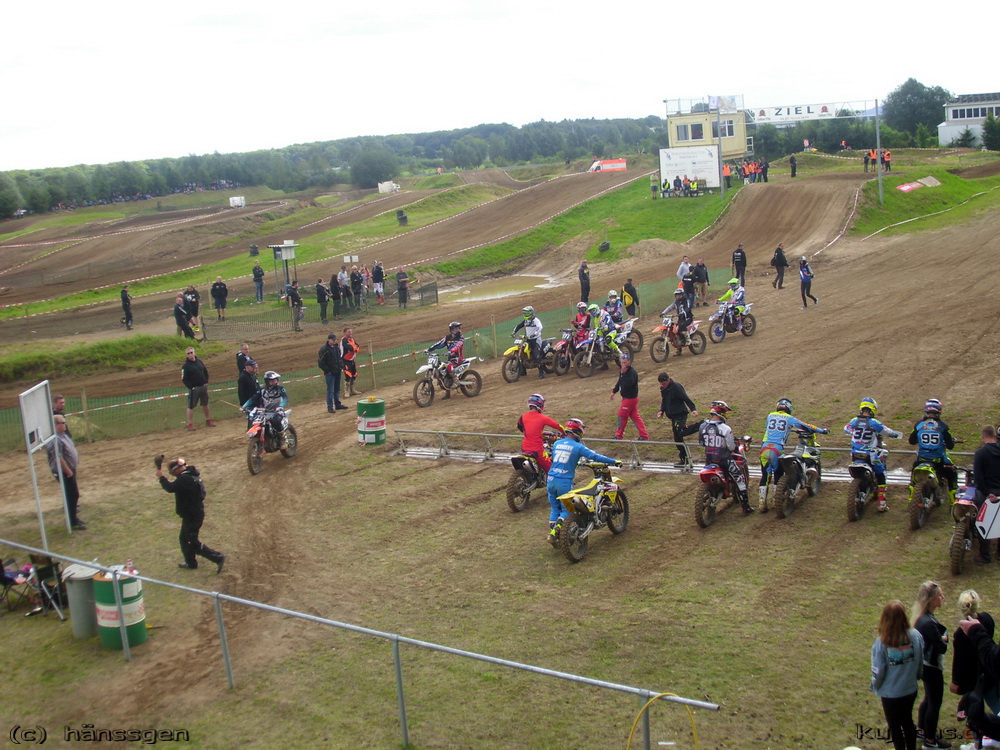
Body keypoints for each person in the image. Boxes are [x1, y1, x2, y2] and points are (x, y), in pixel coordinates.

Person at [545, 418, 618, 544]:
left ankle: (554, 532)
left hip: (551, 479)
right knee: (567, 510)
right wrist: (614, 461)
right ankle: (555, 532)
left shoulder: (557, 444)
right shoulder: (578, 447)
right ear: (577, 432)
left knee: (555, 508)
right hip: (564, 481)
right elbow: (595, 456)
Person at [757, 399, 829, 513]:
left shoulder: (770, 415)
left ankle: (762, 504)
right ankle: (776, 501)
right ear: (789, 408)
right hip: (777, 448)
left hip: (764, 447)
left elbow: (768, 427)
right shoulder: (789, 418)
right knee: (778, 475)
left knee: (765, 476)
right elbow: (806, 426)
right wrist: (821, 430)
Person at [156, 457, 225, 573]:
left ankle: (217, 557)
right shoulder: (190, 475)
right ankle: (191, 563)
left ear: (177, 469)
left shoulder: (185, 479)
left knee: (191, 542)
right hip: (192, 513)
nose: (172, 475)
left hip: (192, 515)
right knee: (184, 539)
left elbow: (170, 488)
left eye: (172, 472)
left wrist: (161, 477)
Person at [871, 600, 924, 750]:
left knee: (894, 726)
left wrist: (875, 685)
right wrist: (917, 676)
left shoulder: (882, 642)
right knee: (907, 721)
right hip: (909, 689)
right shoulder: (915, 636)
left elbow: (878, 670)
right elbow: (920, 659)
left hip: (890, 694)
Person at [843, 397, 902, 512]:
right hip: (870, 454)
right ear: (873, 409)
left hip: (855, 454)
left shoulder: (854, 420)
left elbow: (846, 429)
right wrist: (896, 435)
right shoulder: (874, 422)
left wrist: (854, 433)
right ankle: (882, 503)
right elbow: (887, 431)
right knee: (881, 475)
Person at [696, 401, 752, 513]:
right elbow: (731, 447)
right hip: (724, 460)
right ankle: (746, 508)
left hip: (709, 459)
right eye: (726, 413)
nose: (727, 415)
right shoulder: (725, 428)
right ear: (721, 413)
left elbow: (701, 443)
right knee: (740, 479)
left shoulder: (702, 426)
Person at [913, 581, 950, 750]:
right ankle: (930, 740)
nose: (943, 598)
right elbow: (941, 648)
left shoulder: (922, 618)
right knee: (934, 703)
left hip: (924, 665)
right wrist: (945, 639)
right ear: (931, 600)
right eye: (940, 595)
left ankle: (921, 730)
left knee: (928, 699)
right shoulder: (929, 622)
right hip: (932, 667)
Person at [951, 590, 995, 726]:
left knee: (973, 707)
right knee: (992, 699)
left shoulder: (960, 634)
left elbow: (959, 661)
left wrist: (956, 681)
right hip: (987, 669)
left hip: (971, 677)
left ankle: (975, 734)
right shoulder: (987, 619)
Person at [908, 399, 958, 501]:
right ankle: (953, 501)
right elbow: (950, 446)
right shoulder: (943, 426)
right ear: (939, 411)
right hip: (938, 461)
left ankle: (911, 496)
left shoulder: (919, 425)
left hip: (921, 459)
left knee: (913, 478)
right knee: (952, 474)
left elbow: (911, 441)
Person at [46, 414, 86, 530]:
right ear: (55, 425)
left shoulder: (63, 435)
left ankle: (73, 518)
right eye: (62, 423)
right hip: (64, 472)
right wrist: (68, 471)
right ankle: (72, 521)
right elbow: (58, 457)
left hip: (70, 470)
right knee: (72, 495)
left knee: (73, 494)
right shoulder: (55, 440)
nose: (65, 425)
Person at [972, 424, 1000, 563]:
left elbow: (978, 477)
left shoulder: (981, 453)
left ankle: (985, 555)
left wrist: (987, 493)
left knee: (983, 522)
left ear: (983, 436)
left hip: (986, 493)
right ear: (995, 436)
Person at [517, 393, 563, 478]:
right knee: (550, 469)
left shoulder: (523, 417)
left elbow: (520, 426)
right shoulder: (543, 418)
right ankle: (552, 483)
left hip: (525, 448)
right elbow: (558, 426)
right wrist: (566, 433)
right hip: (537, 450)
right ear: (541, 404)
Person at [657, 373, 698, 467]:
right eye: (661, 384)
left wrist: (693, 409)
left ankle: (699, 425)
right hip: (673, 416)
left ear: (668, 380)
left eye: (664, 383)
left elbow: (685, 398)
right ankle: (684, 459)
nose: (663, 385)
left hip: (680, 414)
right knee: (677, 438)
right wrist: (661, 410)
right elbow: (664, 400)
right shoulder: (663, 389)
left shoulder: (676, 387)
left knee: (681, 432)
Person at [242, 371, 290, 448]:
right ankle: (255, 437)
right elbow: (253, 398)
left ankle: (283, 439)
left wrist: (281, 406)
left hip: (277, 410)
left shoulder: (280, 389)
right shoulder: (262, 389)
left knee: (276, 420)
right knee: (253, 418)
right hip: (264, 410)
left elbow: (285, 398)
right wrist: (245, 406)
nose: (275, 382)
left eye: (275, 380)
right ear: (267, 381)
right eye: (272, 380)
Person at [611, 352, 649, 440]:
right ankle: (644, 435)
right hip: (628, 398)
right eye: (622, 363)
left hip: (630, 398)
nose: (623, 364)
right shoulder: (623, 371)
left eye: (625, 362)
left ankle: (619, 435)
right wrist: (614, 391)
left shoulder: (632, 372)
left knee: (621, 416)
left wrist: (623, 374)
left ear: (629, 362)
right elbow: (620, 381)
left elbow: (628, 384)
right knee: (635, 417)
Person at [181, 346, 216, 431]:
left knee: (205, 403)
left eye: (191, 352)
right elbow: (184, 379)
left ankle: (208, 420)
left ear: (194, 353)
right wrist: (191, 387)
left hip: (203, 386)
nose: (190, 355)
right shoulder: (185, 366)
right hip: (194, 389)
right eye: (188, 353)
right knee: (191, 406)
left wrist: (206, 381)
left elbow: (205, 371)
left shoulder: (199, 362)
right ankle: (189, 424)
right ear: (187, 355)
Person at [427, 321, 465, 387]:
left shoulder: (461, 337)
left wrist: (452, 350)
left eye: (458, 328)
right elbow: (439, 344)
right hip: (450, 359)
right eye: (456, 328)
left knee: (449, 366)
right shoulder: (448, 337)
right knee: (440, 368)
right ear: (452, 329)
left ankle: (456, 381)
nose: (458, 330)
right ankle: (445, 384)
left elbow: (458, 345)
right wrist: (429, 349)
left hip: (458, 359)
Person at [513, 306, 545, 379]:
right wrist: (514, 332)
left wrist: (535, 333)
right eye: (525, 313)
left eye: (527, 313)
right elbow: (519, 326)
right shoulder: (526, 321)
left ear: (531, 313)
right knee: (522, 353)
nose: (526, 314)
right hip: (528, 339)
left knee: (536, 354)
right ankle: (523, 371)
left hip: (536, 339)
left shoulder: (536, 320)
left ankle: (541, 372)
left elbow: (540, 327)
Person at [318, 333, 347, 413]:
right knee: (330, 390)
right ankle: (330, 407)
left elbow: (339, 358)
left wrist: (341, 366)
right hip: (330, 374)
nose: (334, 341)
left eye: (335, 339)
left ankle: (337, 404)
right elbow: (321, 363)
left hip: (337, 371)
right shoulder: (324, 349)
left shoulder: (336, 347)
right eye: (332, 340)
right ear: (329, 340)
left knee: (337, 389)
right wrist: (328, 371)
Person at [237, 358, 260, 425]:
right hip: (249, 403)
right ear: (247, 367)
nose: (255, 368)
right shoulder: (243, 377)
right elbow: (241, 392)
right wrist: (243, 404)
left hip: (256, 401)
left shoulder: (253, 375)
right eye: (253, 367)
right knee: (252, 420)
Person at [341, 327, 361, 397]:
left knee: (354, 374)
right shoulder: (344, 340)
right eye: (349, 332)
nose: (350, 333)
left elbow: (357, 346)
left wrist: (354, 348)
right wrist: (354, 348)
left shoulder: (352, 339)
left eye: (351, 331)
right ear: (345, 333)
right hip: (345, 360)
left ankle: (353, 390)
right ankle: (347, 391)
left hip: (352, 359)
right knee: (348, 375)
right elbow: (350, 348)